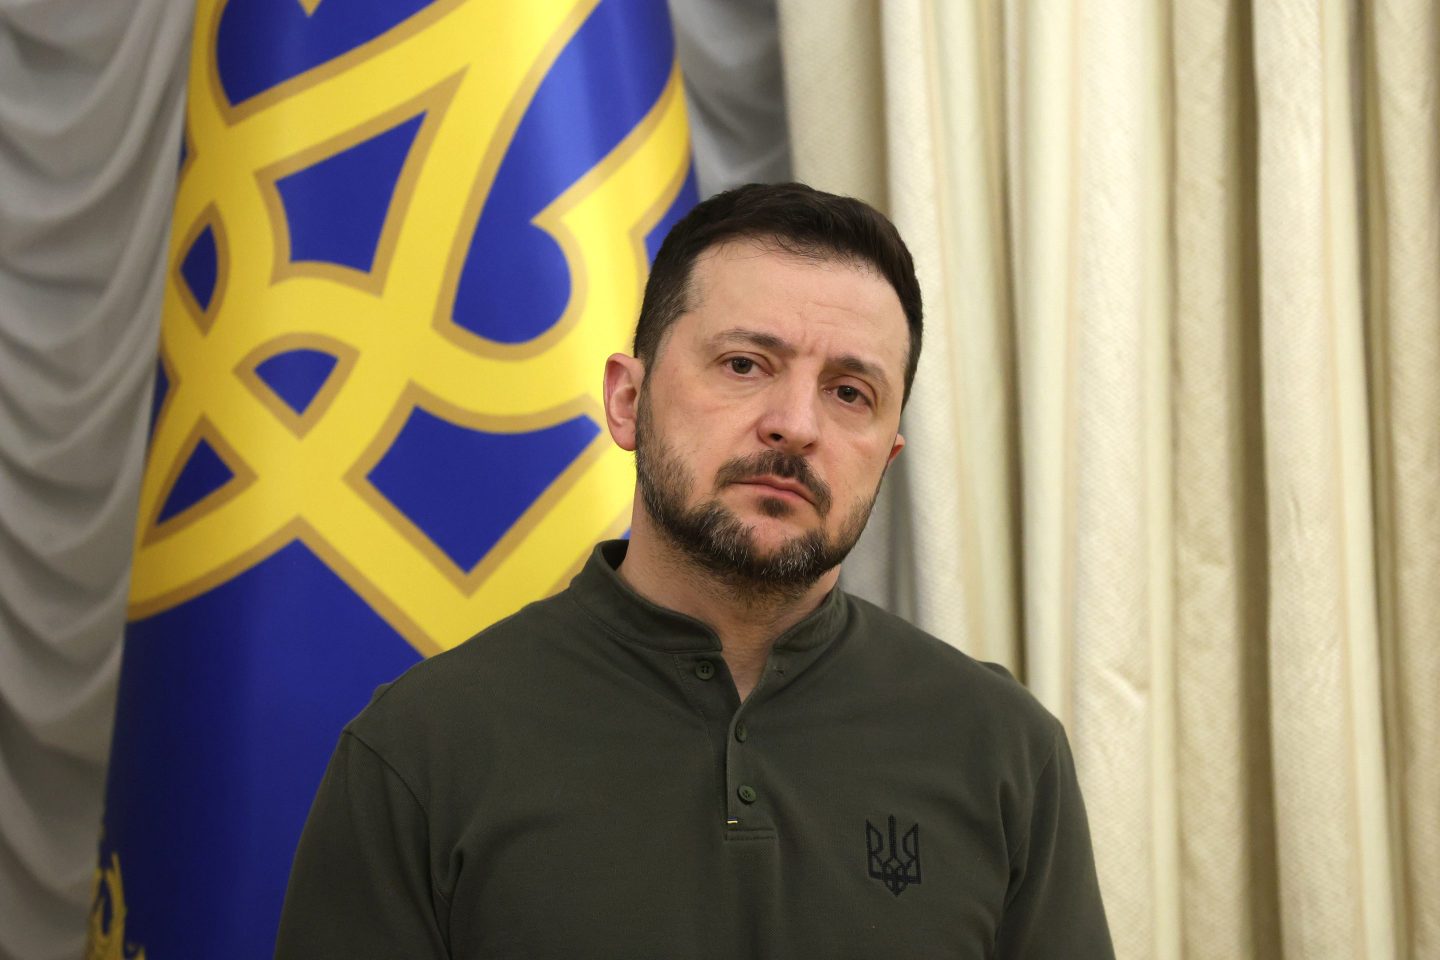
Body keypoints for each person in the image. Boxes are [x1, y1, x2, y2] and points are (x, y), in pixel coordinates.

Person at [274, 182, 1114, 958]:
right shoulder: (421, 750)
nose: (794, 425)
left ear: (887, 455)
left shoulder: (1003, 749)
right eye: (745, 365)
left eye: (850, 392)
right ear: (627, 400)